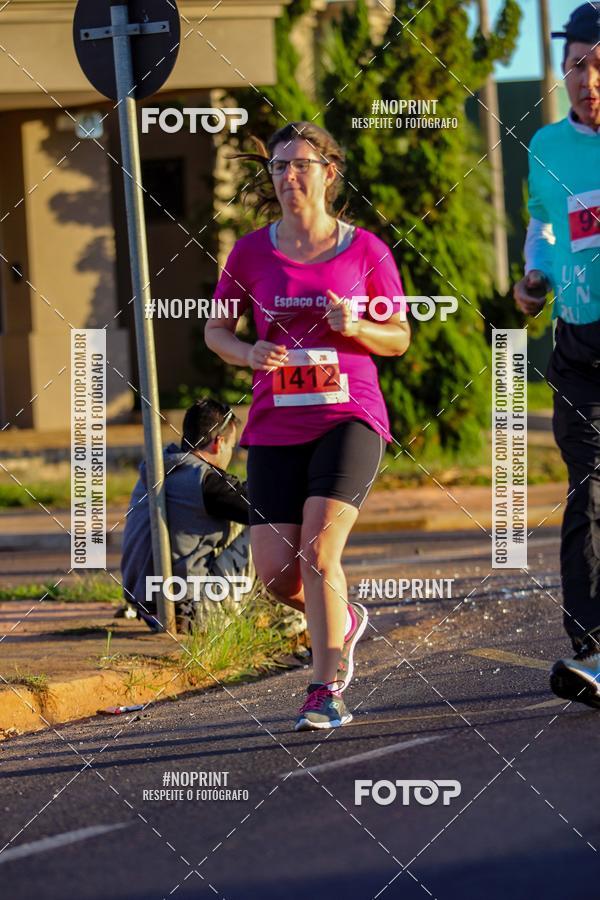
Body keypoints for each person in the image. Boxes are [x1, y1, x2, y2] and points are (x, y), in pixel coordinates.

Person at [205, 122, 411, 730]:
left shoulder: (365, 251)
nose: (288, 176)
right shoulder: (249, 252)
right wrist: (246, 354)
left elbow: (397, 337)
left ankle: (325, 687)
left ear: (329, 173)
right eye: (277, 167)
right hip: (274, 424)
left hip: (350, 416)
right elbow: (216, 329)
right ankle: (342, 619)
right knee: (275, 572)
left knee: (321, 551)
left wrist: (356, 327)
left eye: (300, 165)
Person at [513, 3, 600, 707]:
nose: (587, 78)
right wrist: (535, 275)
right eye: (576, 65)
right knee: (590, 489)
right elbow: (541, 225)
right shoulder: (544, 146)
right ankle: (594, 648)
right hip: (578, 343)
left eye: (599, 64)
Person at [121, 398, 261, 633]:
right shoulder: (205, 482)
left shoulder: (160, 467)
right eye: (232, 446)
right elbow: (265, 506)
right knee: (274, 528)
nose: (231, 454)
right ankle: (292, 627)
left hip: (149, 607)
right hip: (192, 613)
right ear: (218, 443)